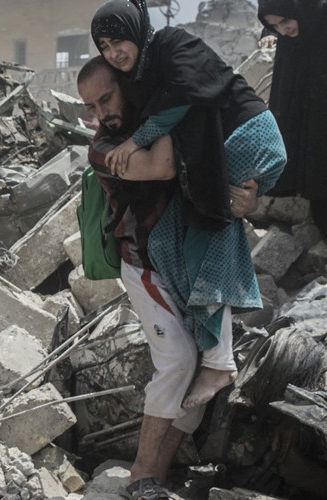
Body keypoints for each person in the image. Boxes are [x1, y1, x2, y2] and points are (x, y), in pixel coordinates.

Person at [77, 55, 274, 500]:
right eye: (91, 107)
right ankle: (140, 474)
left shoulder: (151, 119)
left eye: (107, 98)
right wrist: (174, 106)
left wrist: (248, 197)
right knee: (180, 361)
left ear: (126, 87)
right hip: (145, 263)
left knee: (201, 367)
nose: (102, 113)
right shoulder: (103, 148)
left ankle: (157, 474)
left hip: (188, 262)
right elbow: (164, 167)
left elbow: (226, 171)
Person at [91, 0, 287, 406]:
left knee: (205, 230)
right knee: (168, 240)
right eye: (104, 47)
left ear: (136, 30)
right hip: (217, 150)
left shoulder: (172, 45)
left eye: (118, 41)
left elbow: (184, 96)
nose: (114, 53)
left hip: (247, 134)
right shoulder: (139, 78)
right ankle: (209, 344)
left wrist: (137, 140)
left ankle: (218, 362)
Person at [257, 0, 327, 237]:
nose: (283, 30)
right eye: (275, 26)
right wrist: (269, 33)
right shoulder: (291, 38)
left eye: (285, 21)